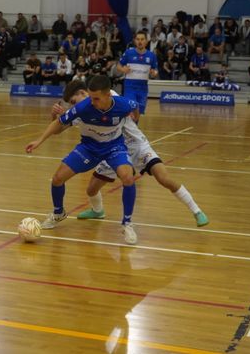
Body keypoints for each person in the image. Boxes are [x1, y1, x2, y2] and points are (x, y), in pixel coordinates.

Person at [52, 80, 209, 227]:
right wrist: (56, 117)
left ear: (84, 93)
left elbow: (133, 106)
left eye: (73, 102)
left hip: (136, 145)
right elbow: (59, 129)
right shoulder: (83, 111)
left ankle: (197, 210)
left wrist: (135, 122)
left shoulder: (107, 97)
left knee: (164, 178)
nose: (73, 106)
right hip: (113, 150)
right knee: (91, 189)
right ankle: (98, 211)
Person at [25, 75, 139, 244]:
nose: (92, 102)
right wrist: (39, 140)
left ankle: (127, 223)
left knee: (128, 177)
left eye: (96, 98)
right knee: (57, 179)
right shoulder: (83, 107)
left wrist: (135, 119)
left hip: (114, 147)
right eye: (91, 98)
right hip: (88, 148)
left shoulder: (122, 104)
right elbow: (59, 124)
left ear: (108, 95)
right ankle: (58, 213)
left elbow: (135, 107)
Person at [117, 31, 158, 115]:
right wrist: (123, 70)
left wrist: (154, 73)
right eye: (138, 39)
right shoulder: (129, 53)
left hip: (143, 88)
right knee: (130, 109)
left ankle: (133, 128)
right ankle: (127, 127)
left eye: (142, 39)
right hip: (130, 87)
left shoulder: (151, 55)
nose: (140, 41)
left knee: (139, 112)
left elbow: (155, 70)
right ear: (134, 41)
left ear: (146, 41)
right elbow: (118, 66)